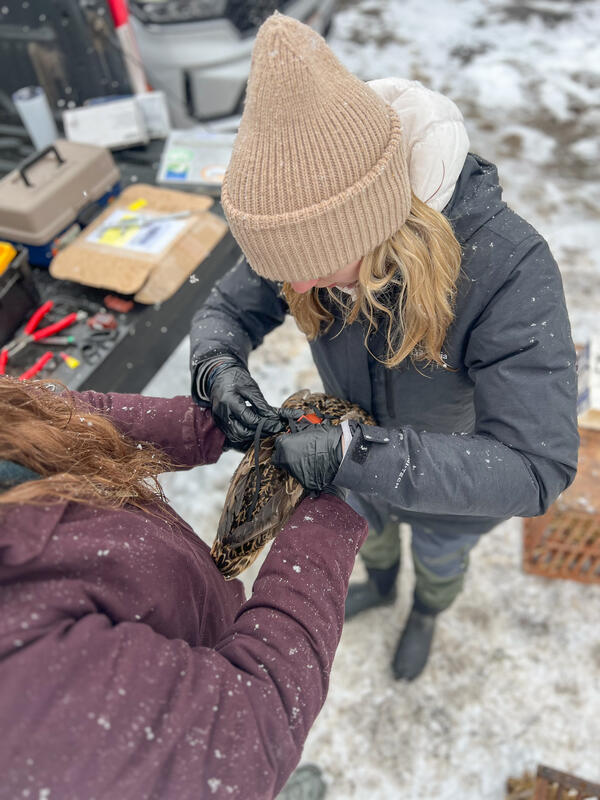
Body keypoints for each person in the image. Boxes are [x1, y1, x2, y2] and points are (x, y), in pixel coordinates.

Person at [190, 12, 579, 682]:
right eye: (283, 270)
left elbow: (538, 467)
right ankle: (384, 578)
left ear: (371, 224)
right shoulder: (305, 223)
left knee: (440, 558)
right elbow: (227, 308)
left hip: (450, 497)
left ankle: (426, 606)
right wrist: (216, 367)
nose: (296, 284)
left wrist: (355, 453)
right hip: (353, 473)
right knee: (369, 544)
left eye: (312, 265)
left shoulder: (508, 269)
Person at [0, 378, 367, 800]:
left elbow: (54, 416)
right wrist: (330, 512)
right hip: (198, 747)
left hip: (205, 628)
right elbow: (249, 728)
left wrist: (211, 424)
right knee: (233, 774)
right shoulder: (21, 660)